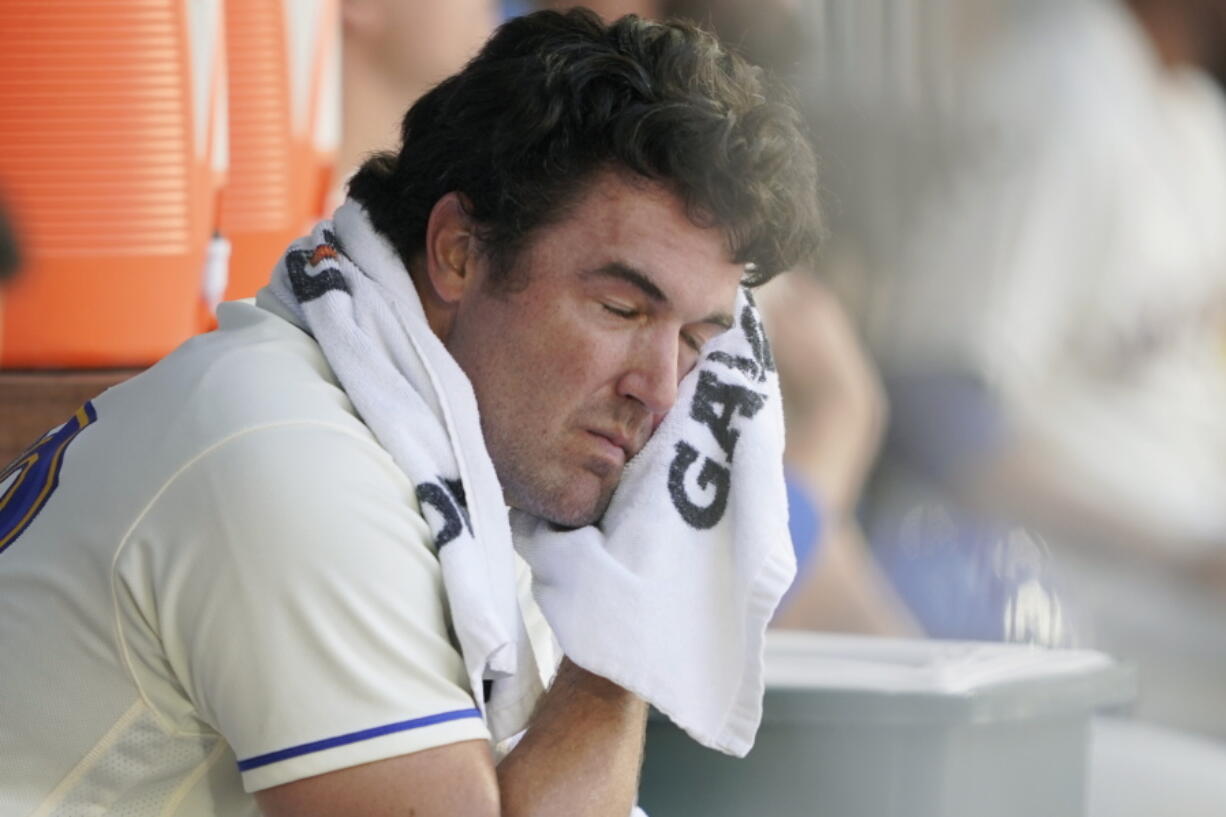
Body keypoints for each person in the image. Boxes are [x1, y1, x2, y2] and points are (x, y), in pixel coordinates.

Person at [0, 9, 820, 817]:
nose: (665, 392)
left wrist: (623, 611)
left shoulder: (445, 446)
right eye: (620, 309)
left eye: (698, 340)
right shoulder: (297, 458)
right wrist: (634, 607)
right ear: (458, 251)